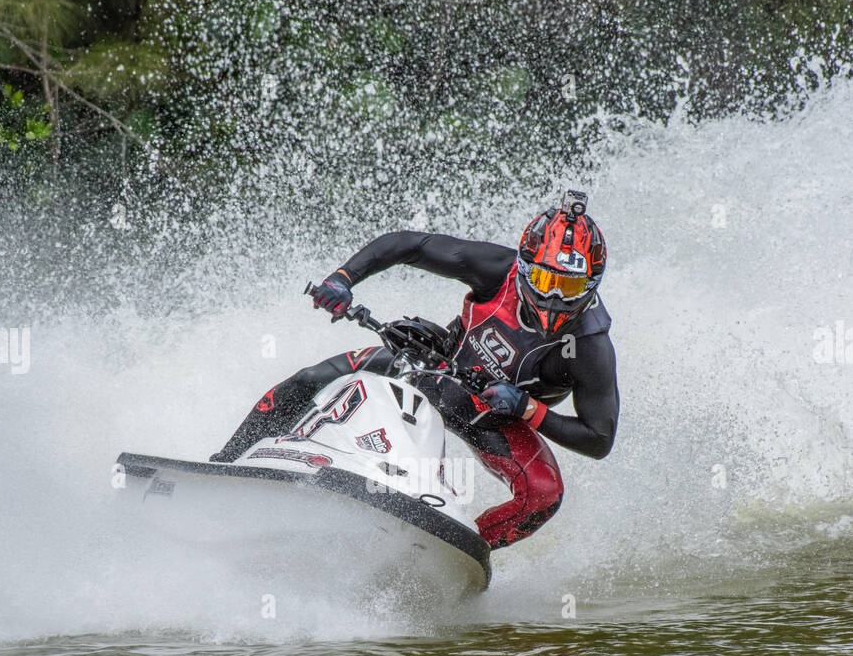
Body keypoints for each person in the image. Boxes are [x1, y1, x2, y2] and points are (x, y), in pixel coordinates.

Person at [211, 191, 620, 549]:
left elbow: (598, 439)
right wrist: (342, 279)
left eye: (567, 287)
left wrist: (527, 409)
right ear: (525, 267)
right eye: (545, 278)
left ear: (592, 284)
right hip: (434, 368)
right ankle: (224, 468)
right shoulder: (498, 269)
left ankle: (455, 552)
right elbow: (409, 244)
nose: (552, 296)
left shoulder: (590, 347)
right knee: (309, 380)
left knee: (543, 495)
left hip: (496, 419)